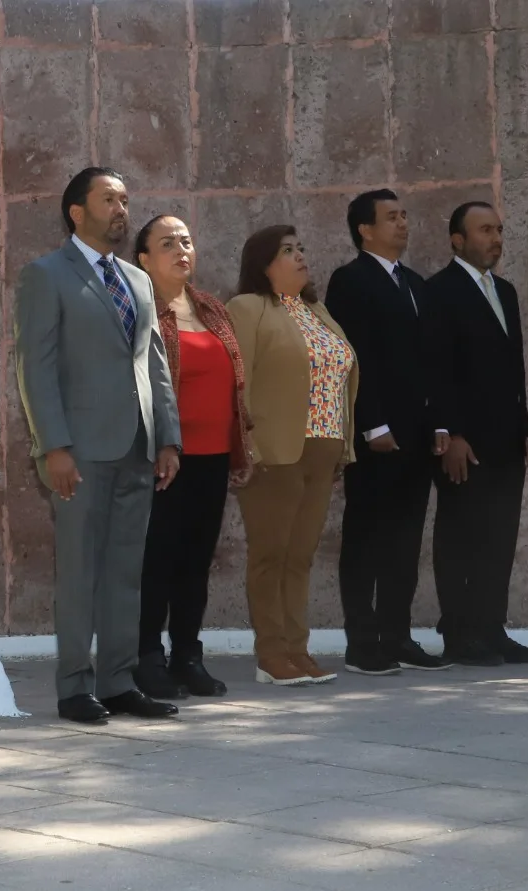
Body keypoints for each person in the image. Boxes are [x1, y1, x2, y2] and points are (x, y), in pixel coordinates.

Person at [13, 167, 182, 724]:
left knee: (124, 572)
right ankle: (73, 687)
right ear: (76, 212)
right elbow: (35, 368)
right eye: (108, 199)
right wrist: (52, 447)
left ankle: (117, 680)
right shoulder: (47, 275)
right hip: (79, 451)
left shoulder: (137, 280)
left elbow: (155, 363)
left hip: (137, 446)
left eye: (125, 200)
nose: (121, 209)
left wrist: (167, 439)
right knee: (80, 571)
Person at [324, 190, 448, 675]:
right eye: (390, 217)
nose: (402, 224)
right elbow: (353, 357)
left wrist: (439, 422)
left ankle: (397, 636)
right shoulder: (350, 280)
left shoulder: (416, 284)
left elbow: (431, 363)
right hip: (376, 437)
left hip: (418, 437)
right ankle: (362, 641)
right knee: (365, 538)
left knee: (405, 538)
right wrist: (372, 423)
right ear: (364, 230)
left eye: (404, 215)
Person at [229, 226, 357, 687]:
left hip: (323, 450)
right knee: (270, 555)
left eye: (301, 247)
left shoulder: (317, 311)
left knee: (300, 556)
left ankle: (298, 650)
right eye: (287, 251)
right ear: (264, 265)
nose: (300, 256)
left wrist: (344, 444)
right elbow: (236, 383)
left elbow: (341, 376)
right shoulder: (248, 308)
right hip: (274, 453)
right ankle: (271, 655)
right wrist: (247, 448)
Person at [131, 216, 252, 699]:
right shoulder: (140, 310)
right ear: (144, 260)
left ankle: (187, 657)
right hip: (164, 457)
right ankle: (145, 658)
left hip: (214, 456)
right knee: (156, 562)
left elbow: (234, 385)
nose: (181, 249)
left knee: (195, 563)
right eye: (167, 244)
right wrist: (162, 441)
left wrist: (241, 443)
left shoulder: (212, 309)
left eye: (185, 241)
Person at [424, 202, 528, 666]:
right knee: (461, 536)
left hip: (506, 440)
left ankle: (491, 629)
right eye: (484, 230)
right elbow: (437, 369)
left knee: (499, 536)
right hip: (464, 443)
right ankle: (458, 633)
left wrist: (524, 429)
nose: (495, 238)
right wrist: (450, 433)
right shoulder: (439, 291)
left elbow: (511, 368)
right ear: (457, 240)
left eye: (498, 229)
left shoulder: (506, 291)